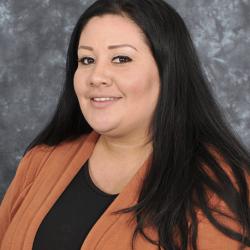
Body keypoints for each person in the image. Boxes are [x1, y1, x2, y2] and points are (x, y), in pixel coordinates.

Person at [0, 0, 249, 249]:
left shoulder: (222, 189)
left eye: (121, 58)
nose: (96, 76)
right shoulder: (41, 160)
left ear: (168, 71)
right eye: (86, 60)